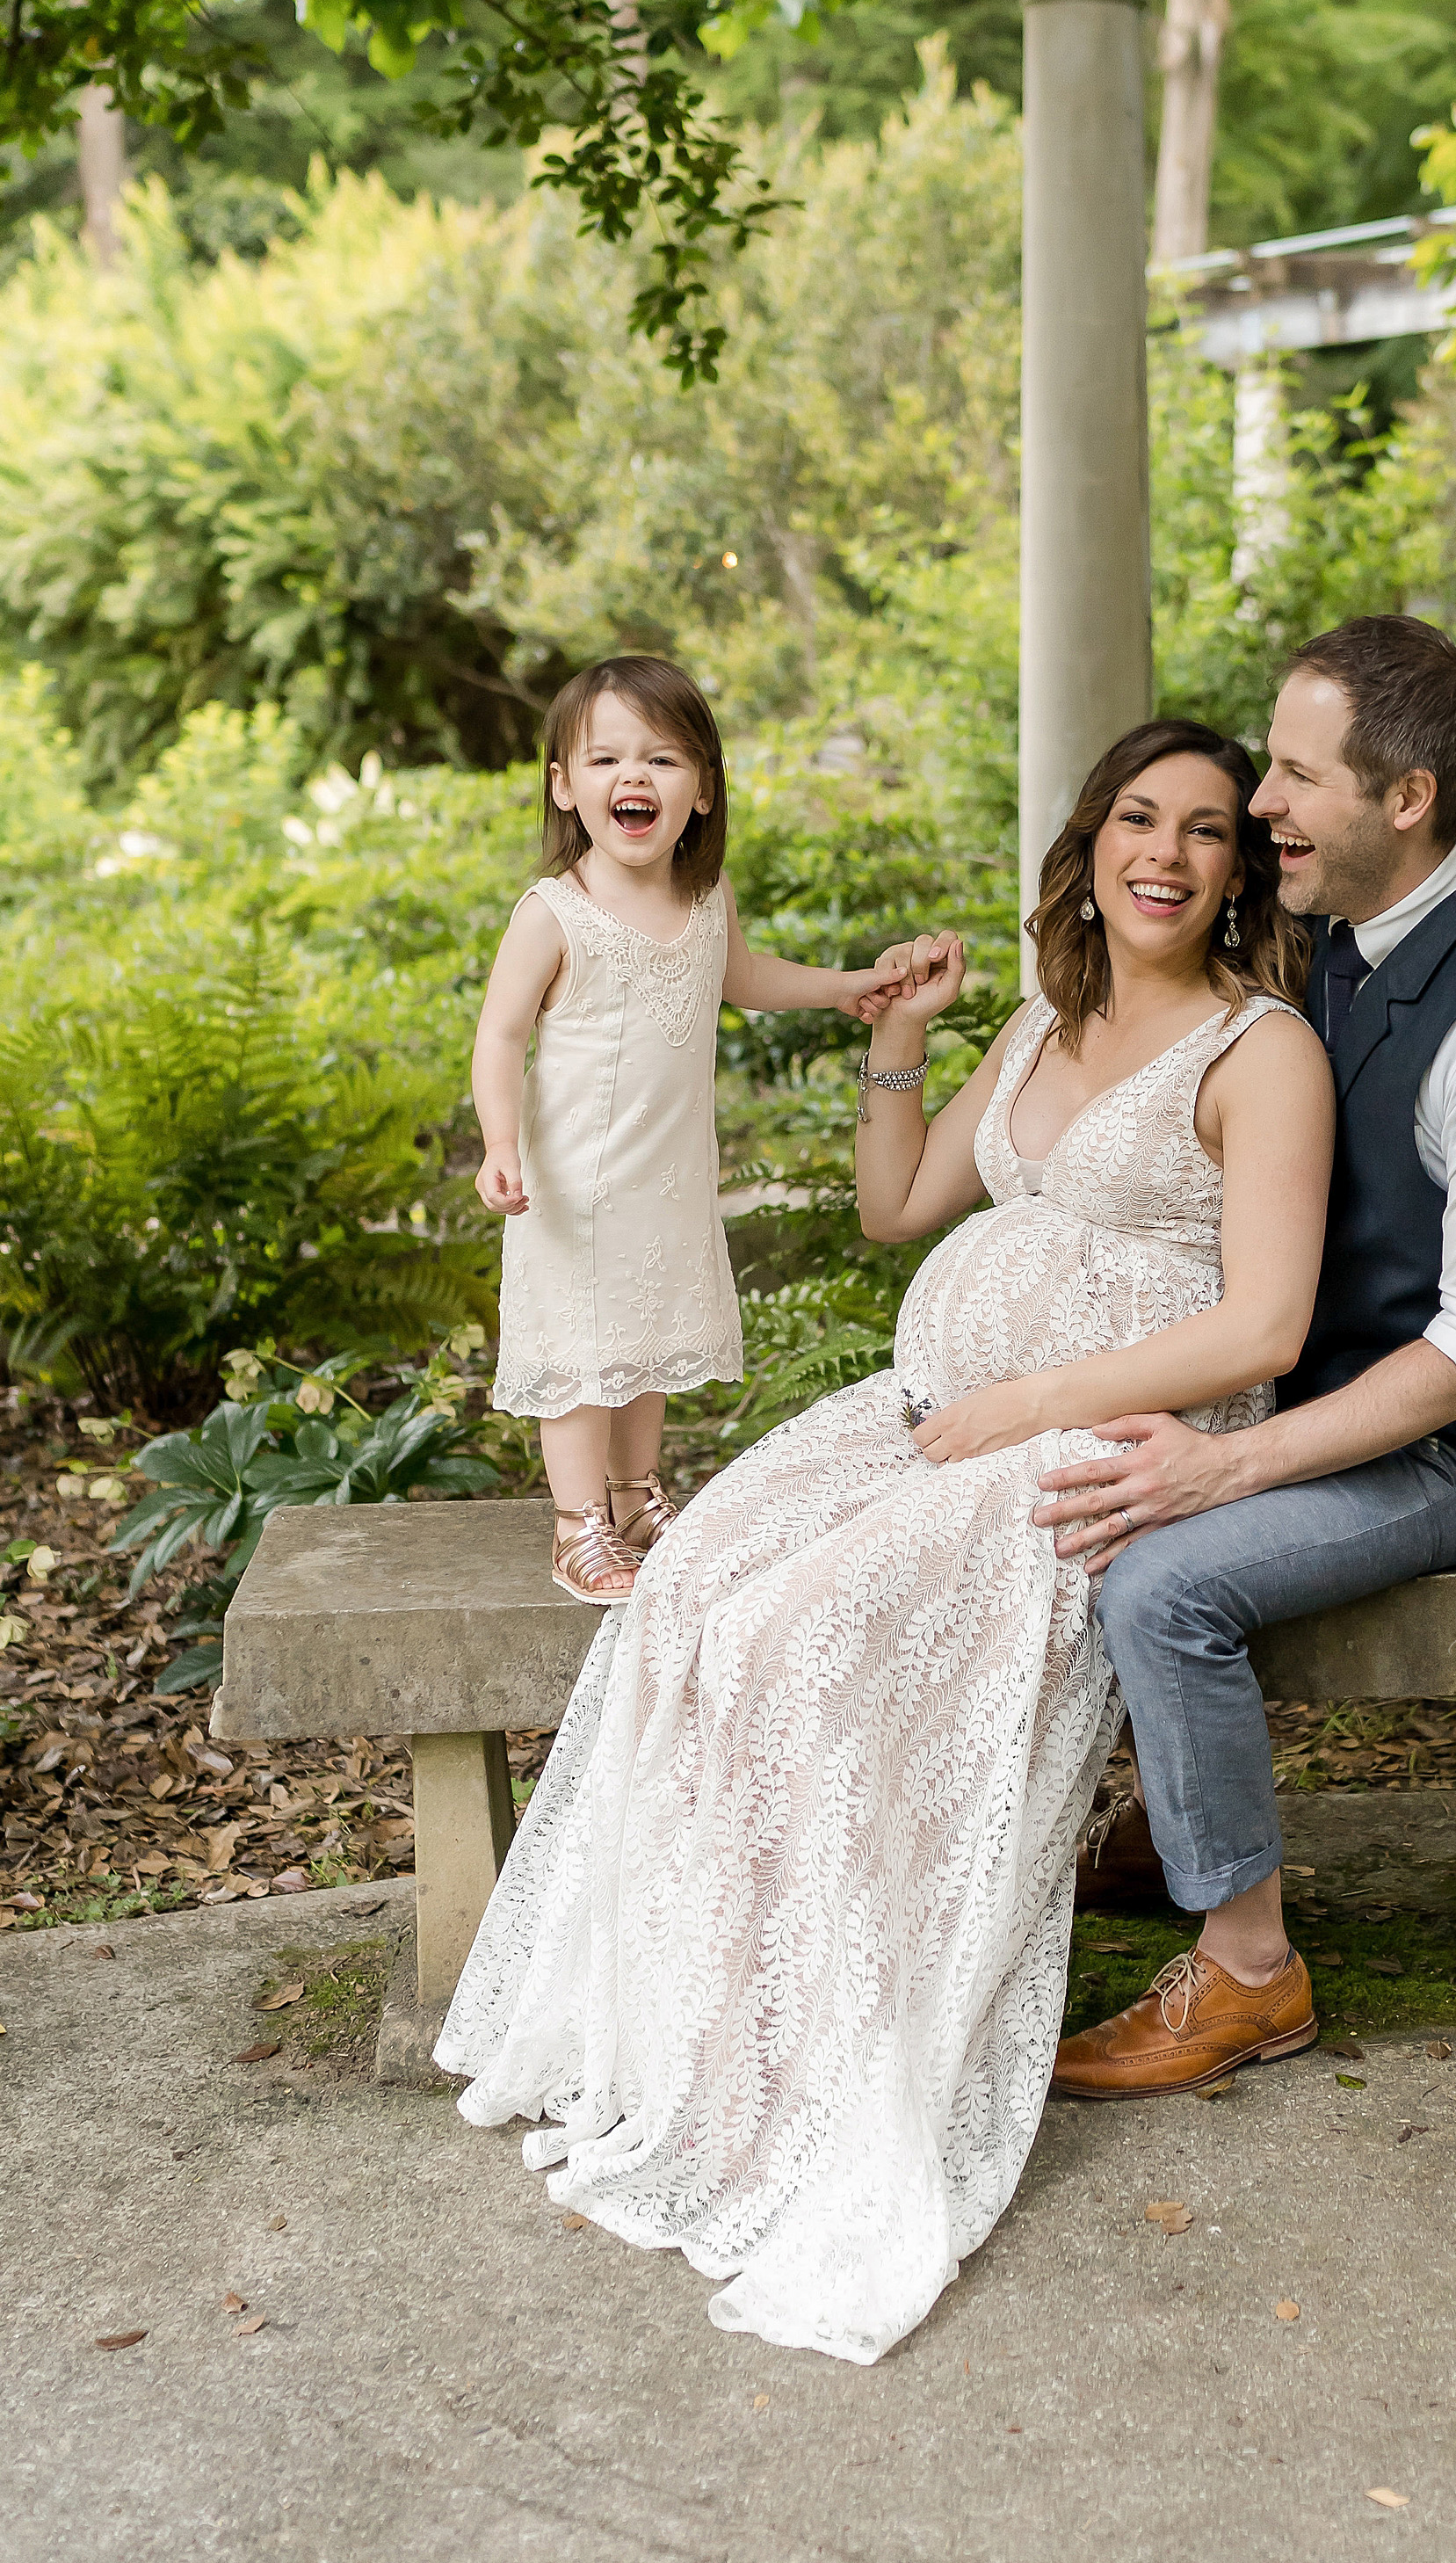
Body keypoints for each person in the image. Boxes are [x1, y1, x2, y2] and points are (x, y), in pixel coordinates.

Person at [436, 719, 1333, 2362]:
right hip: (942, 1404)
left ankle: (835, 2059)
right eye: (1141, 818)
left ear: (1241, 869)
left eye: (1210, 831)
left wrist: (1033, 1401)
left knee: (805, 1633)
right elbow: (900, 1204)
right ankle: (721, 2030)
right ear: (1091, 842)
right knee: (698, 1582)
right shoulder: (1044, 1019)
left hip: (1113, 1438)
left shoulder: (1259, 1051)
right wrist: (902, 1040)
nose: (1170, 853)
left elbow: (1263, 1320)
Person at [1040, 617, 1456, 2097]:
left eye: (1296, 776)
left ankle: (1249, 1974)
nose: (1264, 806)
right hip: (1323, 1398)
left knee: (1162, 1575)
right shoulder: (1329, 941)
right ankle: (1179, 1814)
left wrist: (1222, 1461)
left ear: (1407, 798)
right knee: (1055, 1480)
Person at [470, 652, 903, 1604]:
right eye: (606, 760)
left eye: (663, 760)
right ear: (564, 787)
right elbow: (499, 1037)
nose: (634, 778)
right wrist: (501, 1146)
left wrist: (842, 988)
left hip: (662, 1183)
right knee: (583, 1354)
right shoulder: (555, 914)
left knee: (646, 1341)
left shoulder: (705, 898)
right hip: (571, 1185)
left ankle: (633, 1497)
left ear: (702, 789)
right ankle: (575, 1524)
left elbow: (743, 978)